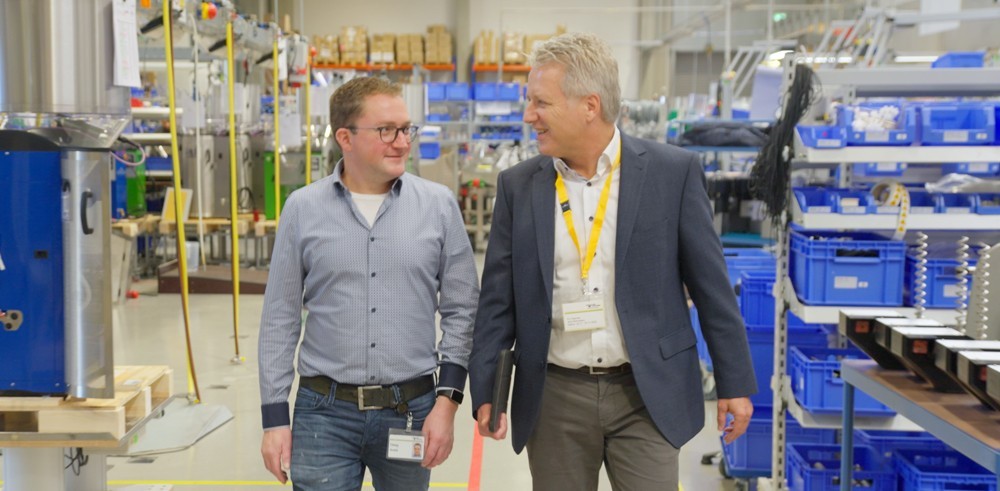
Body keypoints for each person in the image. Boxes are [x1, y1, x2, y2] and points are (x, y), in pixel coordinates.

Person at [469, 32, 757, 490]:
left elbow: (712, 288)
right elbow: (497, 301)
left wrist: (734, 382)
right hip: (555, 396)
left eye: (541, 103)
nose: (529, 116)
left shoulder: (671, 173)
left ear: (590, 105)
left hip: (647, 392)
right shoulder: (518, 186)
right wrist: (486, 386)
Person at [258, 76, 479, 490]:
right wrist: (274, 419)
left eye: (406, 129)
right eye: (386, 131)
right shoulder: (303, 208)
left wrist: (447, 402)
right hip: (323, 414)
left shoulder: (438, 207)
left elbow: (463, 309)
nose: (402, 142)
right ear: (345, 137)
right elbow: (279, 318)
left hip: (410, 409)